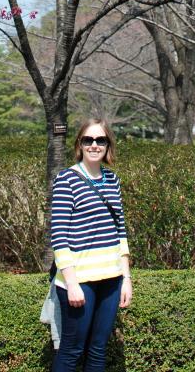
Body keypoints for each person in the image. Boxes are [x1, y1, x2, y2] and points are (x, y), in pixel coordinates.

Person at [50, 117, 132, 372]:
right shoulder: (67, 179)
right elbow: (59, 235)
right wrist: (72, 284)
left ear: (108, 145)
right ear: (80, 144)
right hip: (80, 281)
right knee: (72, 350)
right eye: (89, 140)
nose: (94, 145)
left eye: (100, 140)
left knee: (98, 350)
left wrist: (126, 277)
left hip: (111, 278)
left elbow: (120, 230)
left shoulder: (113, 180)